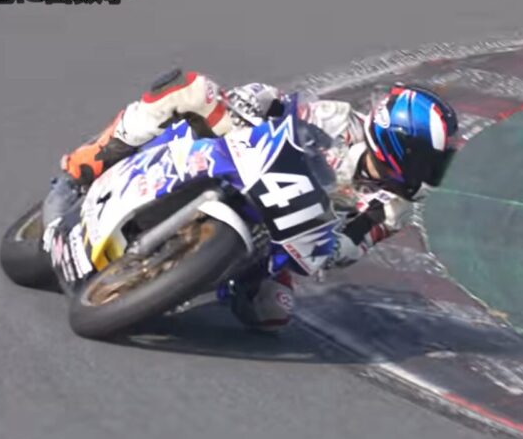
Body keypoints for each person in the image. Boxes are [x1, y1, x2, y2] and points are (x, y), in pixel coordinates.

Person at [42, 69, 460, 331]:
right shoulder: (339, 122)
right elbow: (279, 104)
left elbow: (347, 248)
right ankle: (90, 160)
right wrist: (252, 102)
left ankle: (198, 275)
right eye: (429, 161)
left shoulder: (394, 206)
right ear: (400, 144)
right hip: (246, 162)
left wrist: (329, 248)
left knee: (273, 312)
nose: (431, 174)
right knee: (192, 90)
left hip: (280, 235)